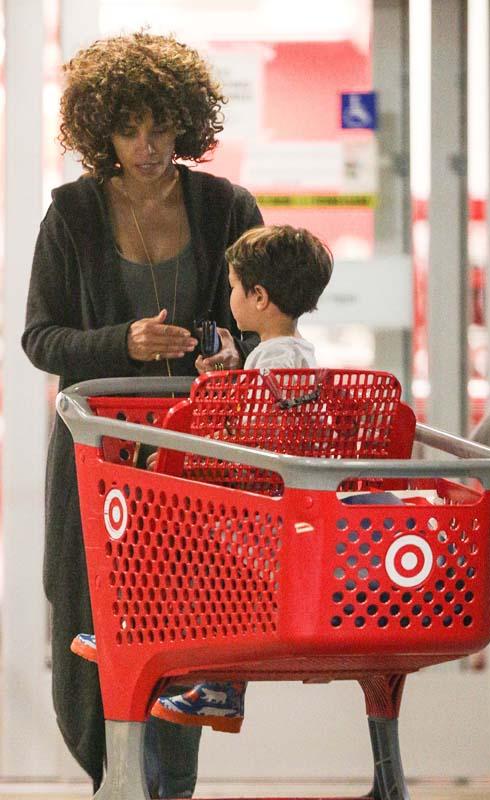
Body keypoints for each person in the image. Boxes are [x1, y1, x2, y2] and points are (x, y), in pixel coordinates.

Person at [21, 31, 262, 799]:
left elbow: (266, 319)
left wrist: (230, 348)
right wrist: (119, 341)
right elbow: (40, 337)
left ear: (186, 124)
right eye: (130, 129)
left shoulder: (226, 206)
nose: (149, 146)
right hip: (101, 462)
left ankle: (172, 788)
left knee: (189, 628)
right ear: (102, 131)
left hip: (197, 459)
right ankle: (114, 782)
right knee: (95, 620)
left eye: (161, 127)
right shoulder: (71, 215)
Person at [149, 223, 333, 732]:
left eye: (233, 286)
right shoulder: (297, 354)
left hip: (258, 519)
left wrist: (214, 407)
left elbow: (256, 439)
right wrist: (233, 374)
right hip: (283, 516)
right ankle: (211, 679)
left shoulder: (273, 359)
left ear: (258, 296)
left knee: (178, 537)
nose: (229, 296)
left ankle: (153, 638)